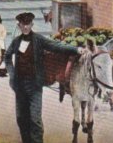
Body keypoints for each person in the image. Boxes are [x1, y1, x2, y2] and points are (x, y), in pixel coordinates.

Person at [5, 12, 84, 143]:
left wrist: (76, 50)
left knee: (35, 119)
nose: (25, 27)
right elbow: (7, 57)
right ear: (19, 25)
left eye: (28, 24)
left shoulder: (39, 40)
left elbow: (57, 46)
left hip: (35, 85)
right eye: (23, 25)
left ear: (32, 24)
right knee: (21, 118)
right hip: (19, 86)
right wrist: (12, 75)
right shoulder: (16, 42)